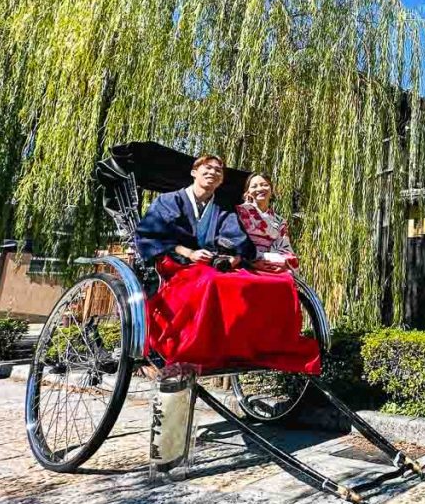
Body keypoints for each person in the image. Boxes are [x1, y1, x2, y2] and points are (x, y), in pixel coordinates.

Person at [136, 154, 320, 374]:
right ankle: (194, 349)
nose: (213, 172)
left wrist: (235, 256)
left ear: (221, 180)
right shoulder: (168, 201)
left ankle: (249, 346)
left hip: (212, 262)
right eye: (208, 168)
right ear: (194, 172)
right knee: (211, 282)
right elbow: (150, 235)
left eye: (218, 170)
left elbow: (235, 237)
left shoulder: (222, 207)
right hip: (173, 261)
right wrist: (188, 252)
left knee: (260, 282)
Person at [236, 174, 298, 272]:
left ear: (271, 190)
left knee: (287, 280)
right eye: (254, 186)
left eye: (264, 185)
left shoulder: (280, 220)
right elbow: (231, 240)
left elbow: (285, 248)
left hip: (269, 262)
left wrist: (283, 263)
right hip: (244, 261)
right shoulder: (237, 212)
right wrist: (251, 260)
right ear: (248, 192)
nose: (260, 189)